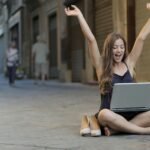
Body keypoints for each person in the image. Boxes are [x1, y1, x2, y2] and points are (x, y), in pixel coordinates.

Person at [65, 5, 150, 136]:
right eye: (115, 47)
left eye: (122, 47)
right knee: (104, 114)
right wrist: (79, 15)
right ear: (109, 50)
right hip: (110, 116)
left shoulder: (129, 63)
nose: (119, 51)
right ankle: (143, 131)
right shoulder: (101, 66)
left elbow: (141, 38)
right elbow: (91, 40)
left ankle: (117, 130)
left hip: (132, 115)